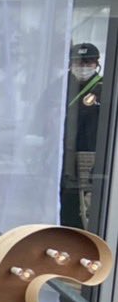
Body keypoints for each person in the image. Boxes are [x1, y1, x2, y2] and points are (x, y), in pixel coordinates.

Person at [60, 42, 103, 229]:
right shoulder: (61, 86)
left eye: (88, 62)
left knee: (86, 213)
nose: (83, 67)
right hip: (64, 161)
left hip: (91, 161)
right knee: (65, 210)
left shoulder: (105, 88)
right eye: (79, 62)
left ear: (96, 64)